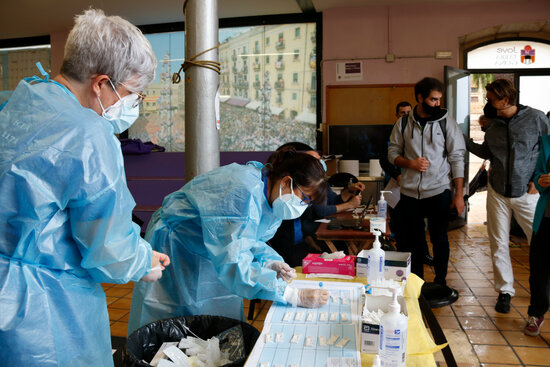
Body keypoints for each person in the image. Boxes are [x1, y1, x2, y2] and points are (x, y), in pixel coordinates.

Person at [0, 9, 170, 366]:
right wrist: (142, 261)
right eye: (132, 93)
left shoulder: (14, 102)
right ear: (101, 83)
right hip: (42, 309)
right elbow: (107, 248)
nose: (134, 104)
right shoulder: (89, 135)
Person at [128, 148, 330, 334]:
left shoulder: (272, 198)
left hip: (208, 248)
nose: (303, 206)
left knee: (212, 312)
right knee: (174, 316)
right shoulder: (242, 190)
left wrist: (268, 261)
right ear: (286, 182)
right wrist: (291, 295)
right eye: (304, 198)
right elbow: (233, 260)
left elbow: (248, 239)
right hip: (176, 246)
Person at [466, 79, 549, 313]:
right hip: (498, 192)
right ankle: (505, 291)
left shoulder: (536, 118)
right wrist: (466, 143)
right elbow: (487, 152)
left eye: (491, 99)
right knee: (498, 242)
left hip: (529, 192)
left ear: (505, 99)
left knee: (541, 244)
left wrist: (538, 180)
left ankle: (543, 291)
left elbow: (548, 149)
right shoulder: (493, 125)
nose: (487, 103)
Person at [388, 77, 465, 300]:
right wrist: (409, 163)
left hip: (439, 191)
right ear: (420, 98)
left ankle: (440, 282)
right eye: (433, 99)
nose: (437, 103)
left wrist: (458, 194)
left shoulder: (446, 121)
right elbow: (392, 153)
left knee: (440, 238)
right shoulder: (402, 123)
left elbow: (457, 157)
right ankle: (417, 283)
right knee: (412, 241)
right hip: (410, 193)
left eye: (439, 99)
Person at [268, 144, 364, 266]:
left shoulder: (317, 184)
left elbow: (334, 199)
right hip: (290, 245)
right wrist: (349, 204)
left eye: (320, 160)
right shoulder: (280, 202)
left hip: (300, 240)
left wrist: (349, 190)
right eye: (315, 161)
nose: (306, 203)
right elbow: (319, 210)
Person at [381, 101, 434, 265]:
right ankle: (402, 256)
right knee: (398, 223)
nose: (405, 115)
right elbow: (385, 159)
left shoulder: (419, 133)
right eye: (402, 113)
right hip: (395, 186)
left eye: (408, 112)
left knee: (418, 223)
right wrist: (397, 176)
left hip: (416, 187)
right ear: (397, 115)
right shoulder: (391, 133)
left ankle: (423, 254)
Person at [523, 133, 550, 336]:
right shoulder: (547, 141)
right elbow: (539, 175)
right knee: (539, 268)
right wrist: (541, 180)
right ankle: (536, 313)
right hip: (546, 217)